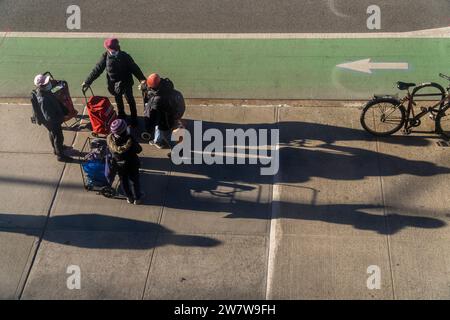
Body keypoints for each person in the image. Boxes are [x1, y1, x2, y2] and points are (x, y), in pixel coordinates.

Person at [82, 38, 146, 127]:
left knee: (130, 100)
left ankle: (134, 118)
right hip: (114, 85)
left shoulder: (125, 56)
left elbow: (134, 68)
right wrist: (87, 81)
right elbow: (97, 69)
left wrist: (142, 79)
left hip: (126, 83)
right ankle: (121, 115)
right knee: (118, 100)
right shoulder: (105, 56)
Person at [33, 74, 73, 162]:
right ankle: (60, 155)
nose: (49, 84)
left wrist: (61, 84)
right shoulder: (43, 99)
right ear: (41, 86)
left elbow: (53, 90)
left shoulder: (44, 91)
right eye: (46, 84)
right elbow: (49, 116)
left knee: (52, 134)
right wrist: (61, 118)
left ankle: (57, 149)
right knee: (58, 137)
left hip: (50, 121)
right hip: (52, 121)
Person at [107, 119, 143, 205]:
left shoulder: (110, 140)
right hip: (131, 164)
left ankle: (129, 197)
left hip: (119, 165)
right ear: (124, 130)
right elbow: (139, 149)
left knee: (123, 181)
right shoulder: (129, 140)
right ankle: (137, 198)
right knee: (134, 181)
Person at [143, 73, 182, 149]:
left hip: (166, 120)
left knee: (167, 134)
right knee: (158, 128)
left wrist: (148, 126)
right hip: (172, 114)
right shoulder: (166, 85)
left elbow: (151, 115)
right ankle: (157, 140)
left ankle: (176, 148)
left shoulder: (157, 100)